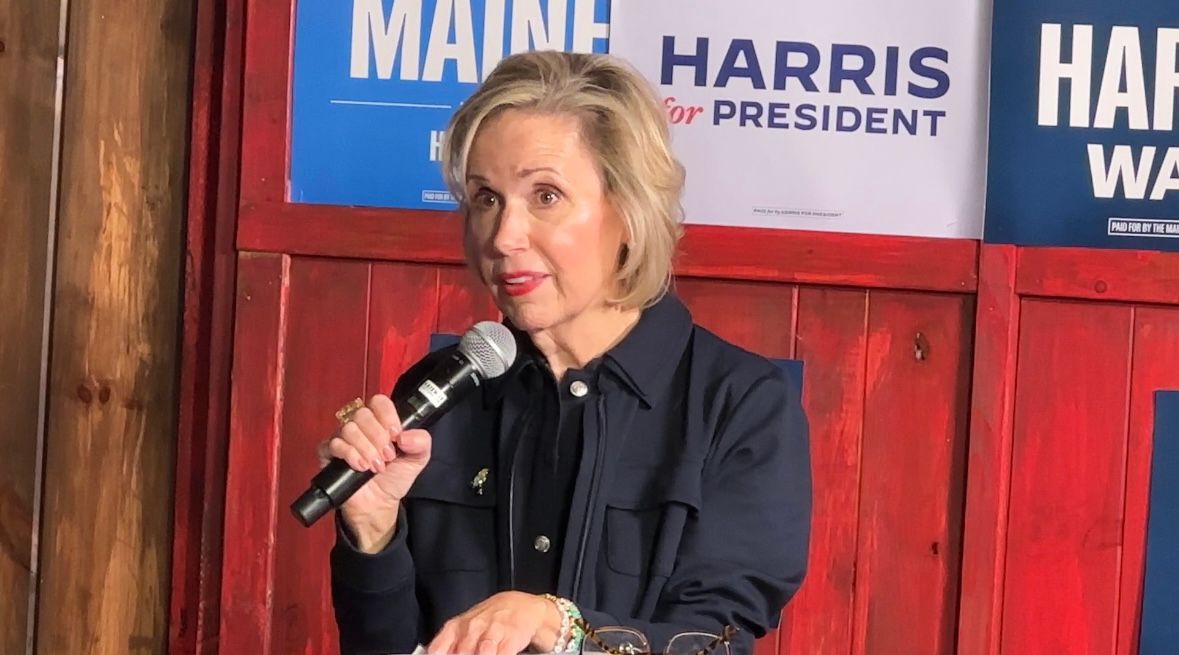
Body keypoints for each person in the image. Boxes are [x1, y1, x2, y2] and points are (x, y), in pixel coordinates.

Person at [319, 50, 811, 655]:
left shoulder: (740, 404)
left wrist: (561, 628)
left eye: (545, 196)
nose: (502, 237)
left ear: (629, 210)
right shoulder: (441, 389)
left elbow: (716, 643)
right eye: (486, 198)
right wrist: (374, 530)